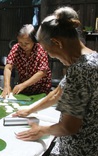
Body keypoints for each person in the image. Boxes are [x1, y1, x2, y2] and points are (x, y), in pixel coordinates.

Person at [13, 7, 98, 156]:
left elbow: (69, 127)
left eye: (48, 50)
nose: (52, 56)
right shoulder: (91, 58)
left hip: (79, 149)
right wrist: (30, 110)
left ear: (57, 43)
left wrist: (41, 130)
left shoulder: (80, 70)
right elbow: (58, 92)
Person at [1, 24, 51, 98]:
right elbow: (8, 67)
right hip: (24, 88)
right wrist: (6, 86)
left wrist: (23, 85)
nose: (23, 46)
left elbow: (42, 72)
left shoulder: (40, 49)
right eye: (20, 43)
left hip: (41, 87)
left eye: (26, 43)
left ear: (34, 41)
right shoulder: (16, 49)